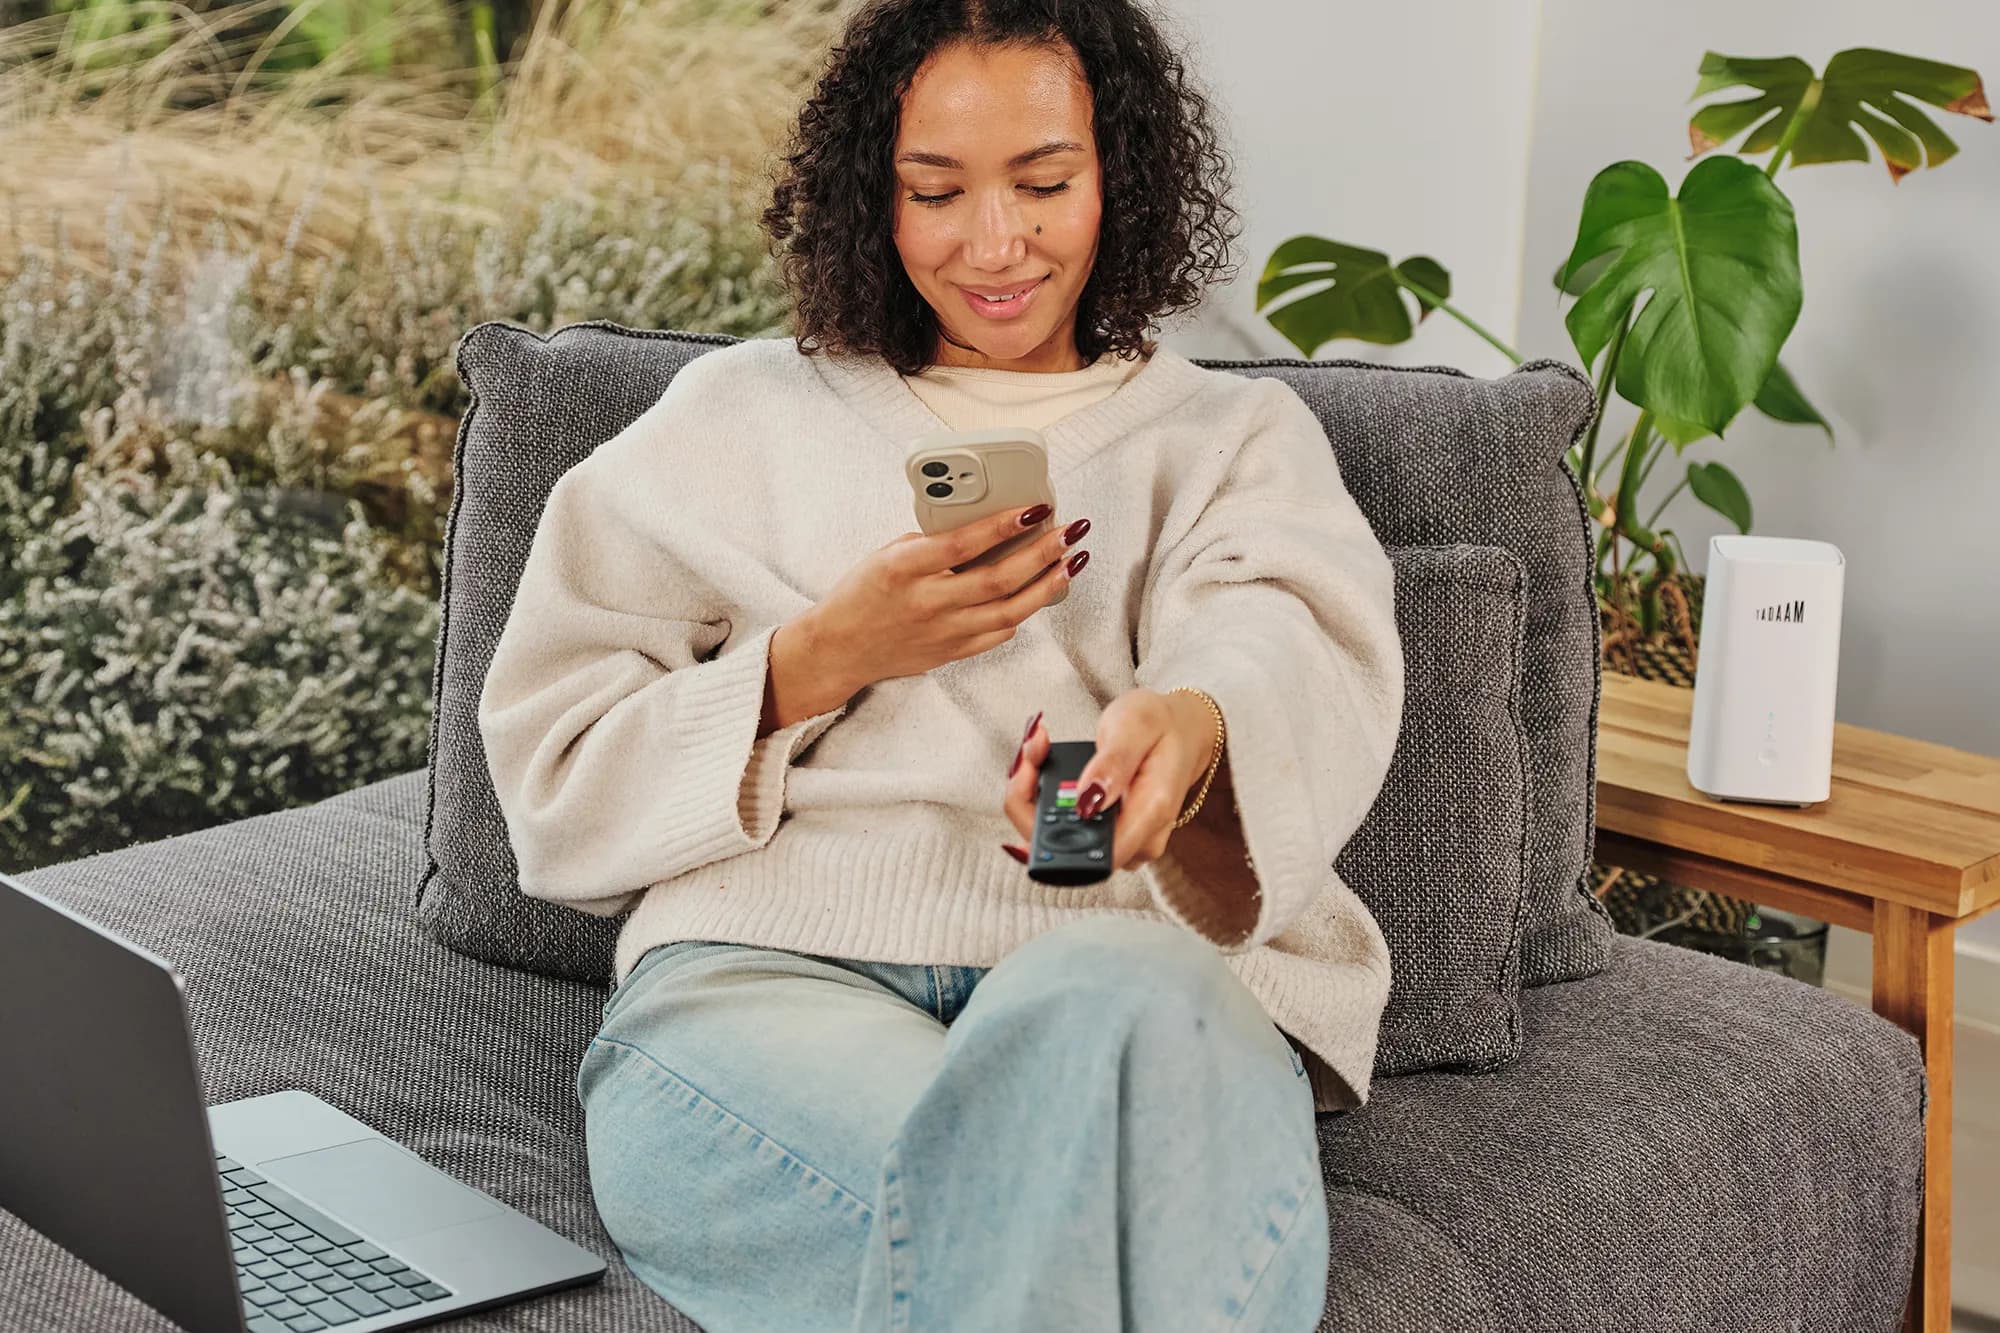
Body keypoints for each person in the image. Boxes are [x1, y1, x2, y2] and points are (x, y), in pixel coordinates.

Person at [476, 1, 1407, 1328]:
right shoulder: (736, 421)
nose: (995, 244)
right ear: (875, 195)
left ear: (1119, 177)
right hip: (769, 979)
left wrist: (1184, 739)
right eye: (936, 191)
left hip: (1124, 978)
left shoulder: (1231, 438)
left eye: (1044, 183)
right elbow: (555, 769)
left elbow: (1269, 630)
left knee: (1111, 994)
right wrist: (822, 657)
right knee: (1105, 1230)